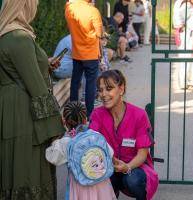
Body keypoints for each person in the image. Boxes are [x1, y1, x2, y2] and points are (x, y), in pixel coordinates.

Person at [0, 0, 65, 199]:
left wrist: (45, 65)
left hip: (10, 110)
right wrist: (55, 127)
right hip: (25, 115)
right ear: (24, 6)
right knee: (28, 168)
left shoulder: (6, 34)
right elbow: (37, 89)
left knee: (12, 166)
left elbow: (18, 70)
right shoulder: (19, 38)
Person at [89, 70, 159, 200]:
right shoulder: (97, 115)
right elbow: (91, 144)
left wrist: (127, 167)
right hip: (108, 167)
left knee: (132, 180)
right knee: (101, 176)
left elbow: (142, 154)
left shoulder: (139, 115)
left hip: (136, 167)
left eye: (109, 89)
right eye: (100, 90)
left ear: (121, 89)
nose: (103, 94)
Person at [46, 101, 117, 200]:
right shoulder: (95, 135)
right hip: (101, 185)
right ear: (85, 119)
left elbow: (52, 157)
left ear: (64, 121)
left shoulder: (65, 143)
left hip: (79, 186)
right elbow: (110, 153)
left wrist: (56, 138)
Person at [65, 0, 103, 118]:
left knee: (75, 82)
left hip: (77, 52)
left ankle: (72, 114)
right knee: (90, 83)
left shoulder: (69, 8)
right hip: (91, 53)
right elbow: (99, 33)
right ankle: (89, 113)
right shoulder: (93, 11)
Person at [173, 0, 193, 89]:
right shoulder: (187, 5)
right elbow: (177, 17)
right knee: (185, 57)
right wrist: (181, 26)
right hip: (188, 35)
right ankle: (183, 82)